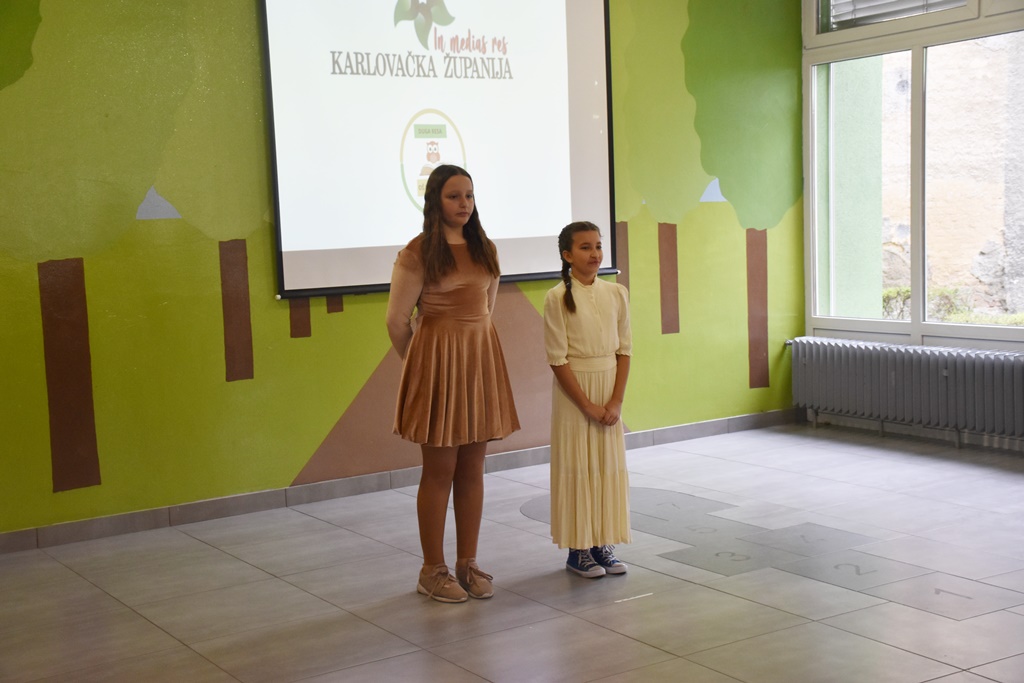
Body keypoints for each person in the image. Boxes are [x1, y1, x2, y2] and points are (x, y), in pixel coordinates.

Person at [386, 164, 520, 603]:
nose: (464, 204)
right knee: (439, 470)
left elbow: (486, 308)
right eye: (454, 196)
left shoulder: (486, 249)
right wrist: (422, 367)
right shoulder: (418, 252)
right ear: (435, 201)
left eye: (469, 196)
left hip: (479, 363)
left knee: (472, 469)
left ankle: (467, 563)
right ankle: (432, 569)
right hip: (438, 366)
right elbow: (396, 320)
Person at [543, 221, 632, 578]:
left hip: (608, 388)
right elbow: (557, 359)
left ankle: (602, 543)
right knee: (578, 467)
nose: (594, 253)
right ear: (567, 255)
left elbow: (625, 351)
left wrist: (615, 403)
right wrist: (587, 406)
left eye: (597, 246)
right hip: (575, 393)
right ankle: (578, 550)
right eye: (585, 247)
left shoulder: (617, 293)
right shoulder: (556, 298)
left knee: (607, 467)